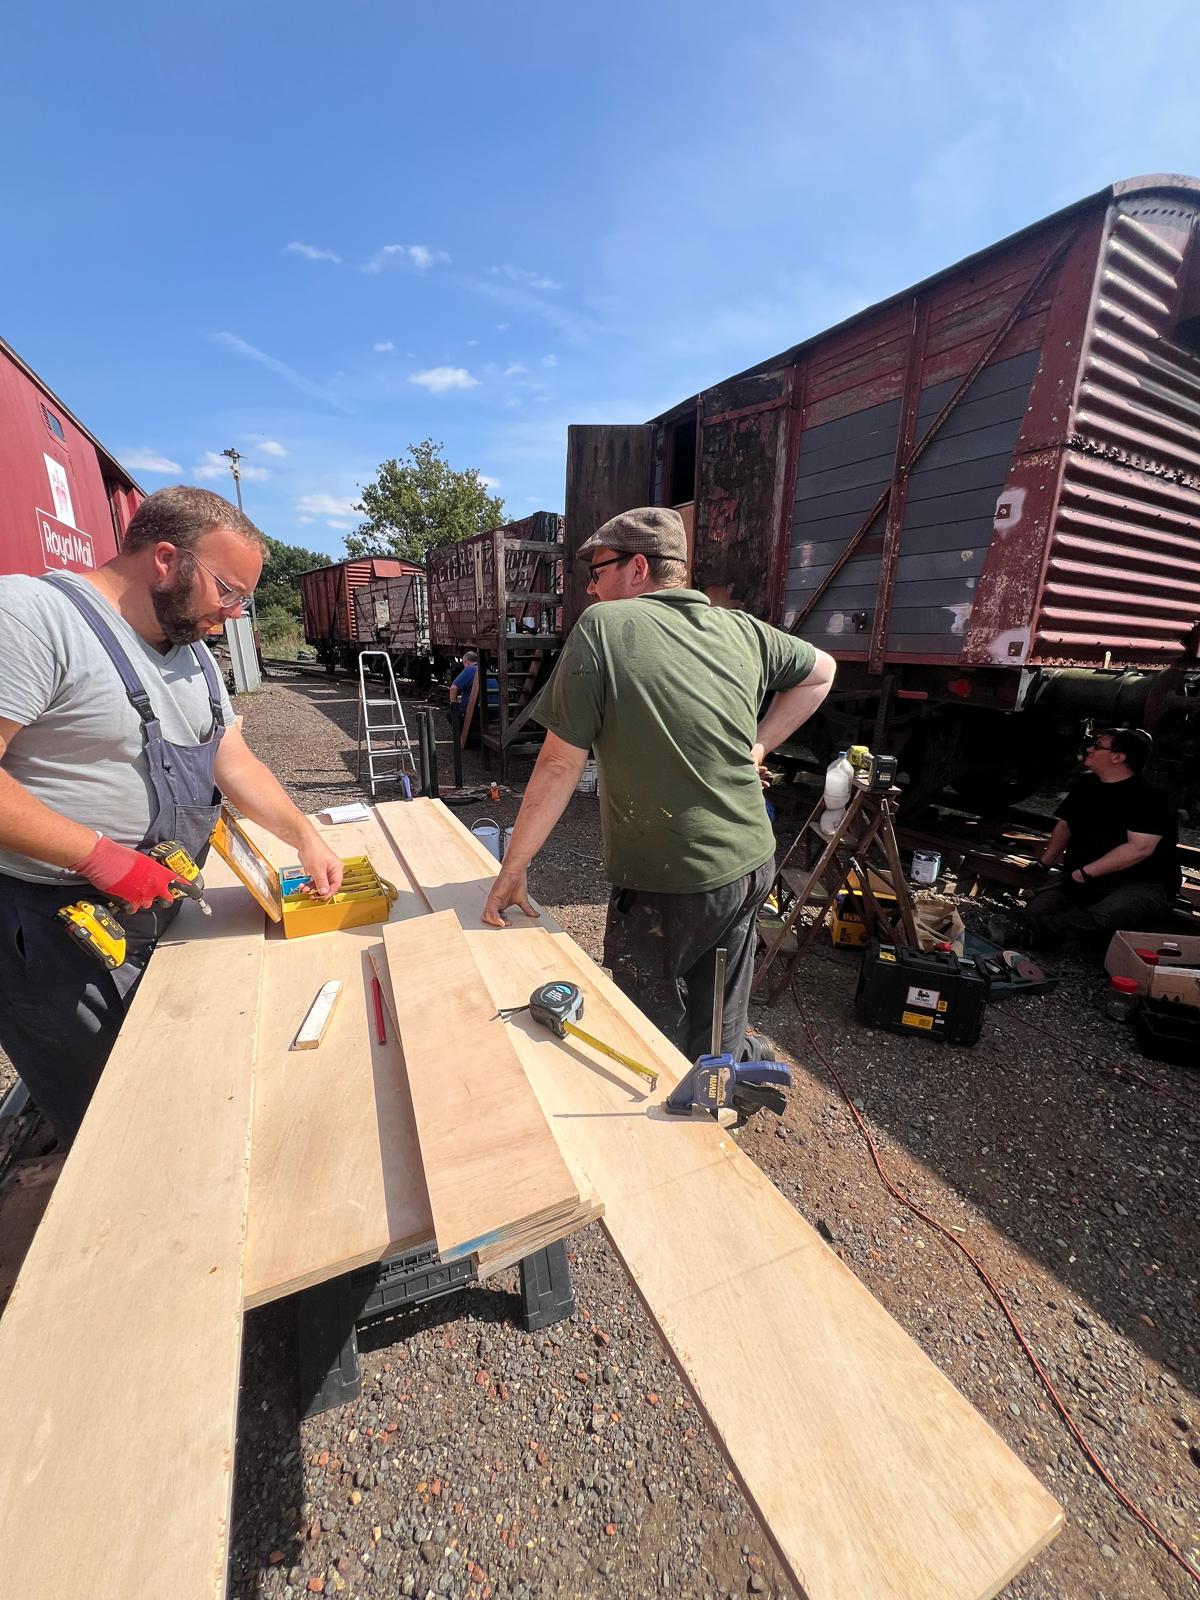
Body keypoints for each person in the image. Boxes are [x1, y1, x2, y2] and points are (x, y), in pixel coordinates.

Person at [0, 485, 344, 1145]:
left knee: (175, 1093)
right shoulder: (32, 618)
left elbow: (233, 762)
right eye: (228, 591)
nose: (234, 613)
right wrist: (98, 856)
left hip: (158, 908)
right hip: (55, 932)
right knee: (113, 1124)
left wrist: (304, 835)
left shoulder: (193, 657)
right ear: (165, 559)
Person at [481, 507, 835, 1062]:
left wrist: (512, 868)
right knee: (719, 1010)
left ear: (639, 567)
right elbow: (822, 671)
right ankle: (720, 1085)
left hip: (670, 880)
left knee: (647, 1032)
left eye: (597, 571)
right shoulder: (740, 628)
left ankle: (672, 1101)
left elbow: (558, 765)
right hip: (749, 863)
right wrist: (759, 747)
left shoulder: (603, 627)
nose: (591, 588)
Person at [1023, 727, 1180, 947]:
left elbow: (1139, 848)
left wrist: (1084, 874)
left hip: (1140, 882)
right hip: (1085, 876)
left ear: (1118, 757)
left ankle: (1028, 934)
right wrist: (1044, 863)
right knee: (1036, 911)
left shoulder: (1150, 797)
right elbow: (1065, 825)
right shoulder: (1087, 784)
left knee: (1099, 917)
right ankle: (1048, 931)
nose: (1089, 749)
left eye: (1097, 746)